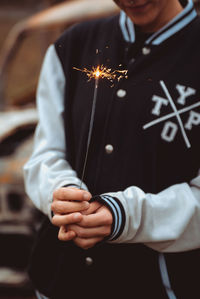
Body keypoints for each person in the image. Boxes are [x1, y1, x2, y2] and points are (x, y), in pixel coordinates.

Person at [24, 0, 200, 298]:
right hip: (58, 282)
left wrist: (126, 216)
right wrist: (62, 192)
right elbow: (45, 153)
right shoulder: (70, 47)